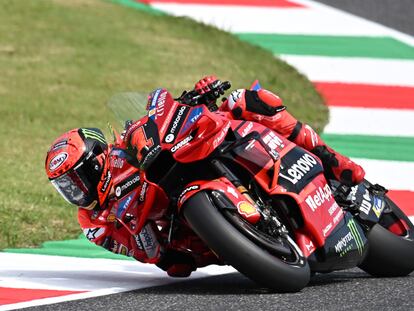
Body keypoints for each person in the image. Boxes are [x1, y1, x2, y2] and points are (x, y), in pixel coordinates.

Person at [45, 76, 365, 277]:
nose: (77, 190)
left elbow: (157, 125)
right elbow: (142, 253)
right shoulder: (93, 223)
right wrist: (144, 241)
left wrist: (193, 98)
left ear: (98, 159)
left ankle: (330, 159)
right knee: (177, 267)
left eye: (79, 177)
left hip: (192, 158)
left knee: (245, 100)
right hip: (186, 236)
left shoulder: (122, 151)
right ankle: (261, 233)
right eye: (66, 187)